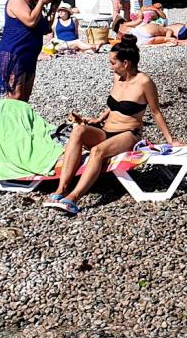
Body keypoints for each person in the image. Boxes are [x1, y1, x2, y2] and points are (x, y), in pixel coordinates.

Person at [44, 36, 179, 216]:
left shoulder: (144, 82)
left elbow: (155, 112)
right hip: (107, 130)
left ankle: (74, 198)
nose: (111, 67)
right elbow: (114, 103)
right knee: (78, 130)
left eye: (113, 63)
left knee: (97, 152)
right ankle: (62, 188)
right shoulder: (118, 77)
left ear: (126, 63)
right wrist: (98, 118)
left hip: (128, 134)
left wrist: (171, 140)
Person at [0, 0, 56, 101]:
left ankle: (20, 121)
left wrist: (53, 8)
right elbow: (30, 21)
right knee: (15, 96)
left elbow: (45, 28)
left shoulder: (32, 4)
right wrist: (41, 3)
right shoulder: (16, 0)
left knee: (25, 97)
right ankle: (7, 121)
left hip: (29, 55)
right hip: (14, 52)